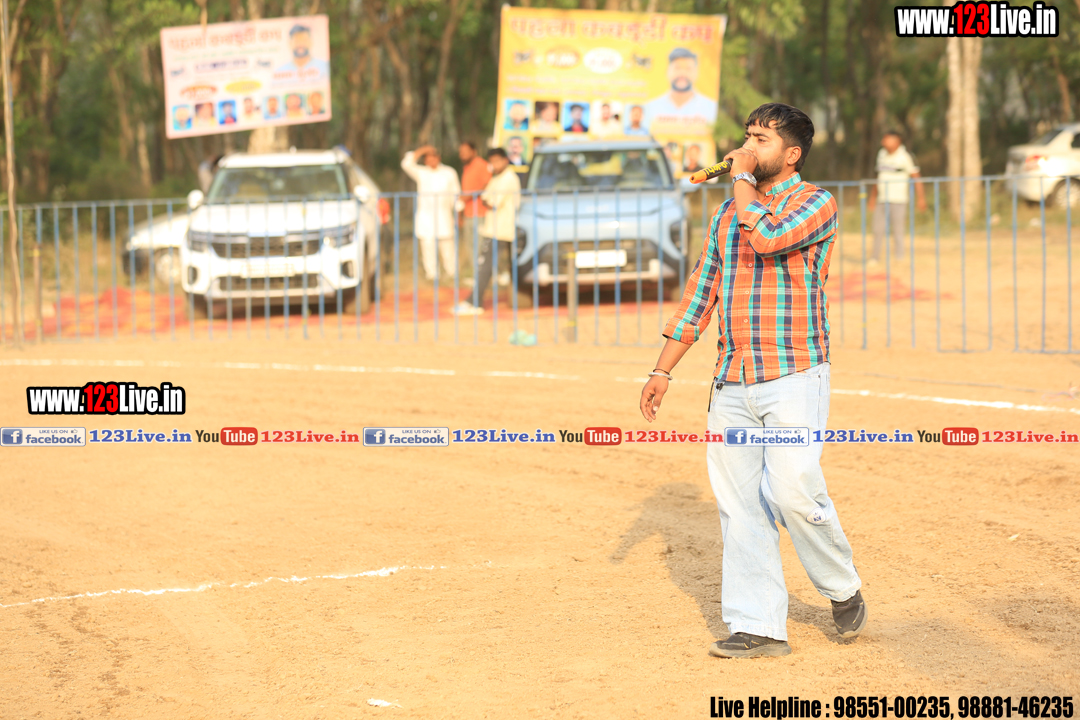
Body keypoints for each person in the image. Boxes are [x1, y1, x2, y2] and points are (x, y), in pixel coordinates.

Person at [638, 103, 866, 660]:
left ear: (791, 155)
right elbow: (701, 293)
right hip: (732, 380)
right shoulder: (725, 214)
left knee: (793, 491)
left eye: (761, 140)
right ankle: (758, 626)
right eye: (747, 136)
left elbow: (766, 237)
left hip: (794, 373)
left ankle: (840, 585)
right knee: (740, 506)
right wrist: (662, 369)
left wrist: (740, 179)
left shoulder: (815, 203)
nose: (746, 148)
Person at [454, 148, 521, 316]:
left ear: (505, 160)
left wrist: (484, 199)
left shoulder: (508, 178)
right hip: (493, 227)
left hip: (501, 228)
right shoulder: (496, 177)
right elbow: (485, 195)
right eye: (492, 162)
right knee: (488, 264)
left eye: (498, 161)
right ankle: (476, 300)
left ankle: (475, 301)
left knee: (485, 265)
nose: (495, 165)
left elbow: (490, 202)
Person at [401, 145, 461, 281]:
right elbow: (406, 164)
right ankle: (432, 275)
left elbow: (456, 195)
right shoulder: (421, 172)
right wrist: (423, 149)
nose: (431, 161)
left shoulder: (449, 172)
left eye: (433, 157)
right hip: (426, 217)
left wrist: (458, 214)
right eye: (427, 159)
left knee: (447, 247)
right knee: (428, 246)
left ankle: (452, 273)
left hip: (444, 216)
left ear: (438, 158)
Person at [869, 130, 926, 264]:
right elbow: (878, 177)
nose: (883, 142)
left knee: (898, 230)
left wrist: (921, 198)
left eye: (887, 139)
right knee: (877, 229)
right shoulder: (881, 154)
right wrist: (873, 197)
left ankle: (899, 258)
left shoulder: (905, 156)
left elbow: (916, 178)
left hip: (899, 199)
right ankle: (875, 257)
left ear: (896, 141)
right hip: (882, 199)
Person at [643, 48, 718, 130]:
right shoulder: (649, 108)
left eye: (688, 69)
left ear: (696, 73)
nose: (682, 73)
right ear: (667, 71)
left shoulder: (710, 107)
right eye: (677, 68)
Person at [458, 140, 492, 262]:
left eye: (465, 151)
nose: (462, 154)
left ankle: (483, 271)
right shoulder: (467, 167)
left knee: (481, 246)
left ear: (474, 152)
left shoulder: (481, 165)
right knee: (470, 247)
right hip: (468, 213)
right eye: (461, 152)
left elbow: (487, 185)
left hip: (480, 213)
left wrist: (469, 196)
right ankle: (476, 271)